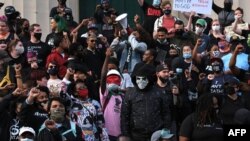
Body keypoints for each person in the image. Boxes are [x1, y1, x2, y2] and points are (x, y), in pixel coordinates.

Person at [121, 64, 171, 141]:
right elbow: (124, 115)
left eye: (144, 79)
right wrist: (125, 134)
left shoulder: (159, 92)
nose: (141, 81)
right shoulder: (130, 93)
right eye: (138, 78)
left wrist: (166, 133)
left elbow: (166, 113)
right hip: (136, 135)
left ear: (149, 79)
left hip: (156, 134)